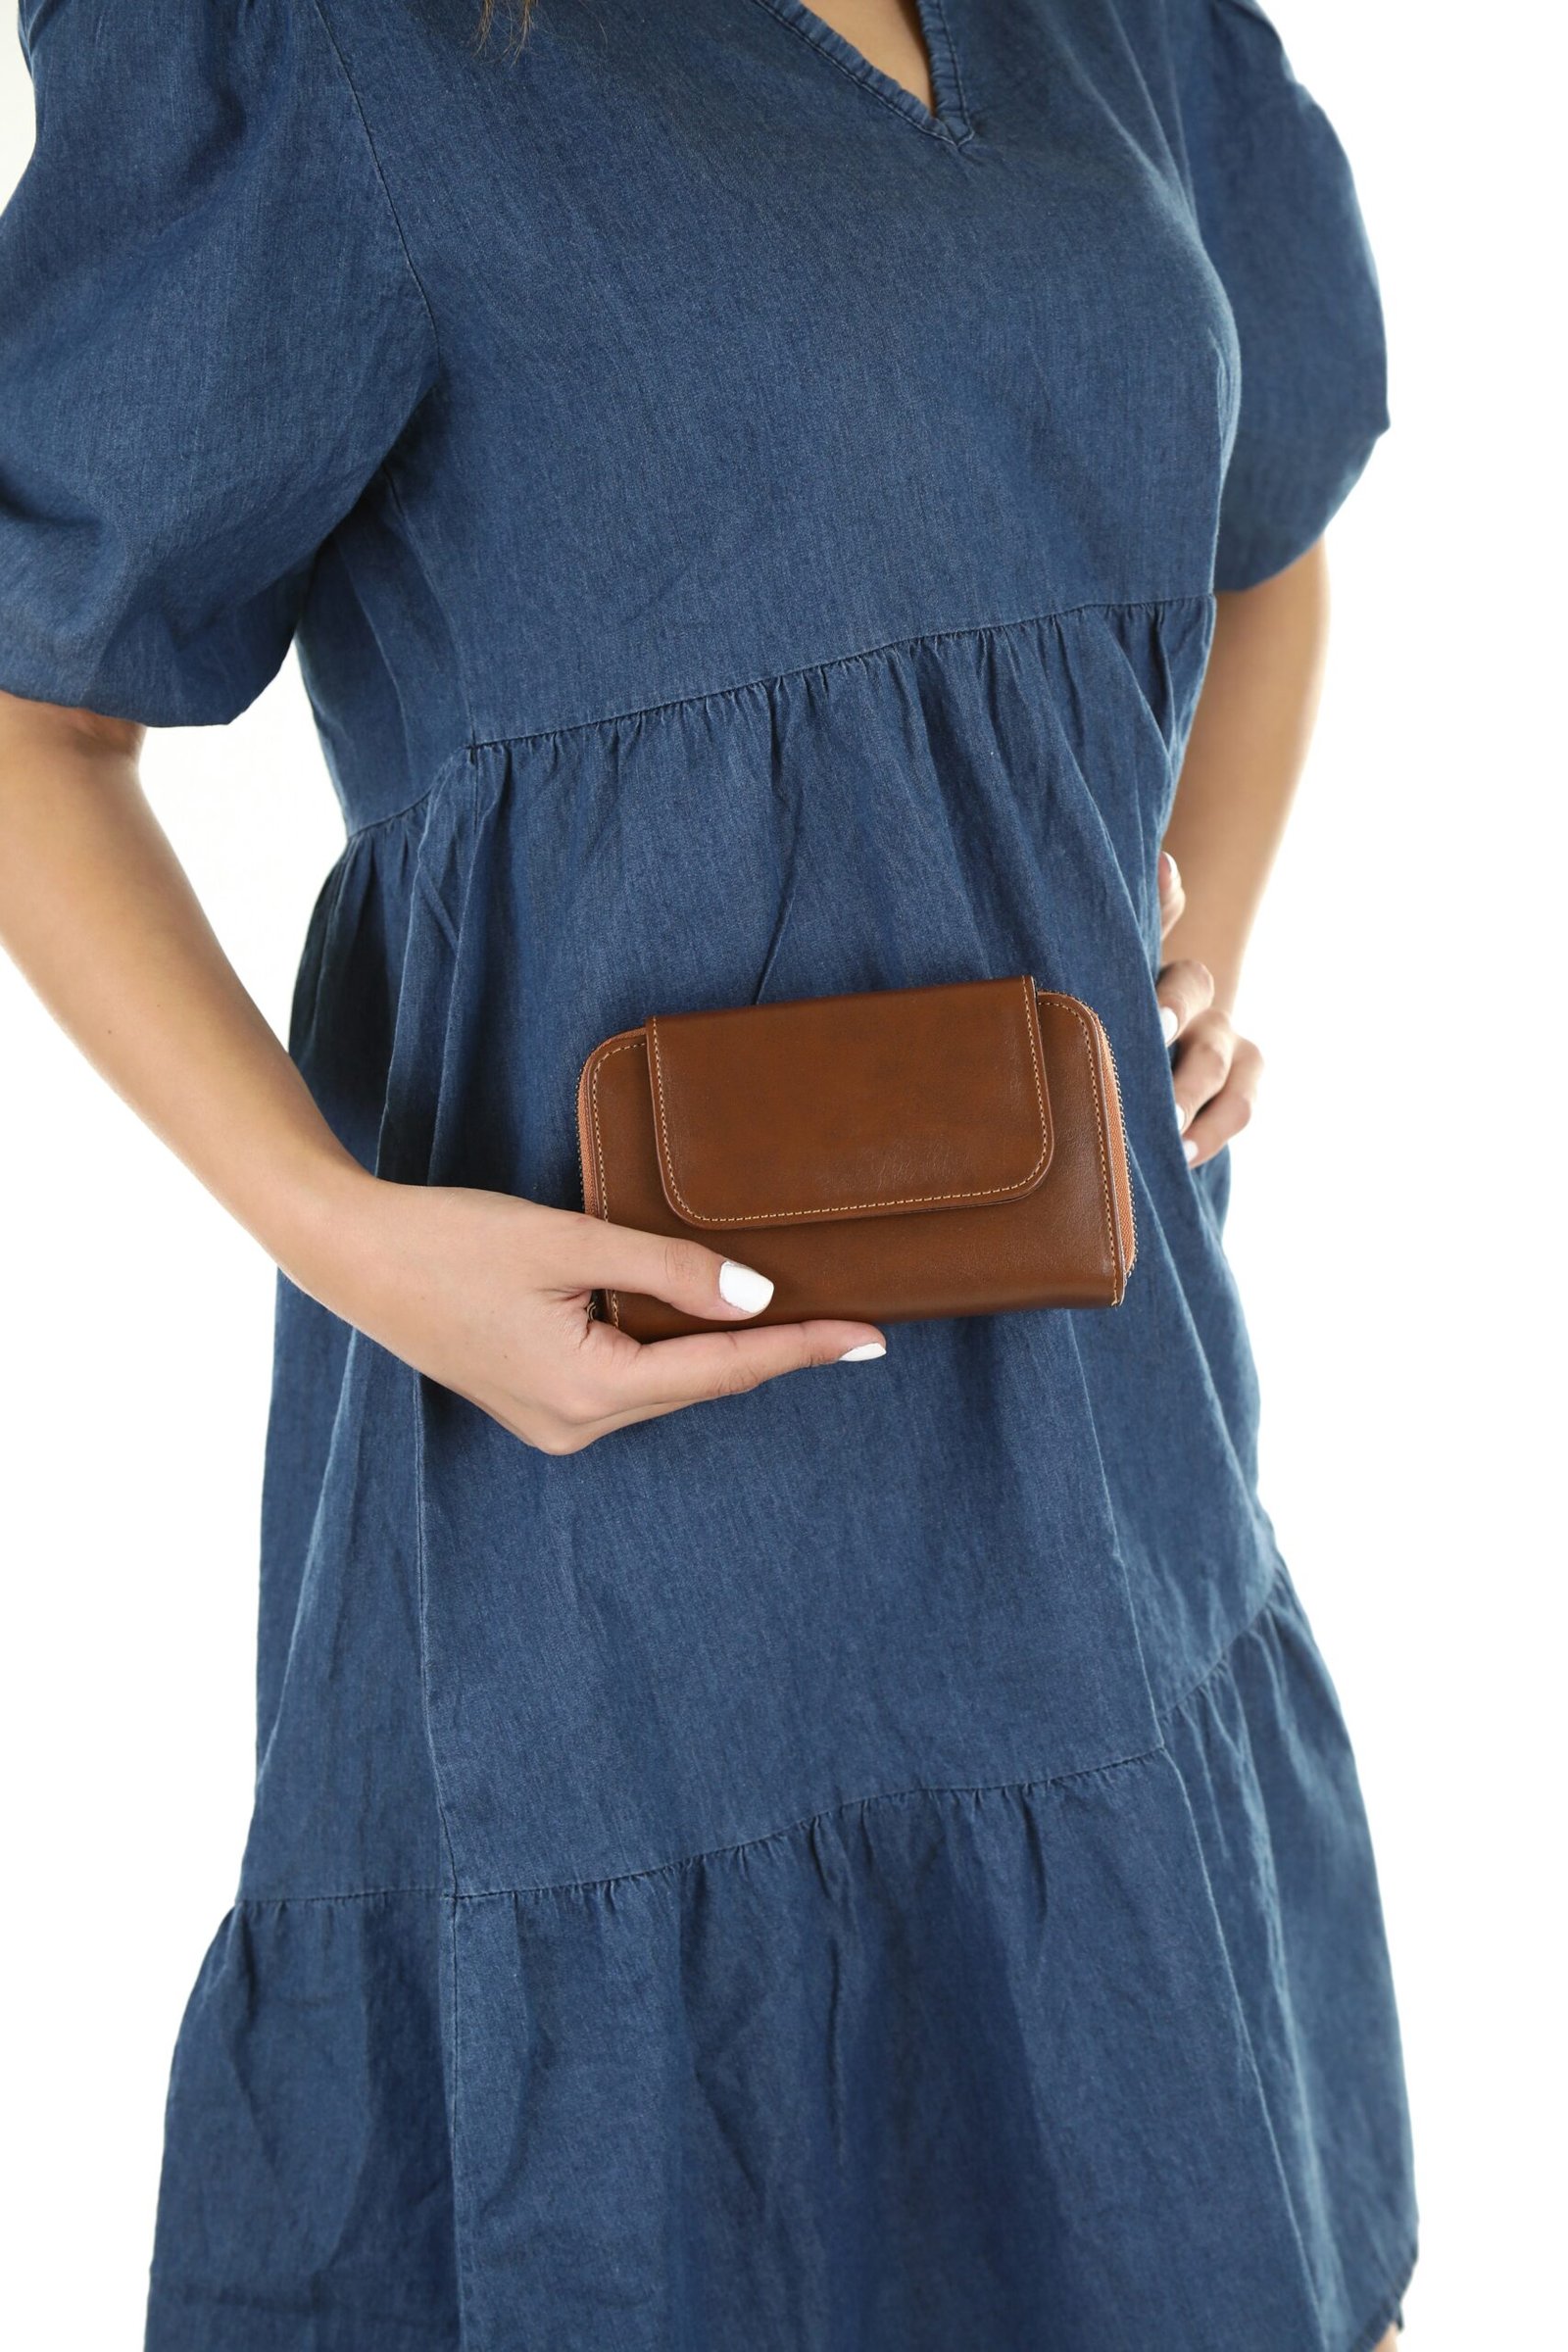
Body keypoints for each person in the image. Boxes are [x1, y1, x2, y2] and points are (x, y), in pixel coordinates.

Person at [0, 1, 1416, 2344]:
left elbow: (1263, 541)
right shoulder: (340, 51)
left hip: (1101, 1431)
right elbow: (33, 719)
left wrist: (1193, 923)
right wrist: (342, 1233)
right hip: (633, 1490)